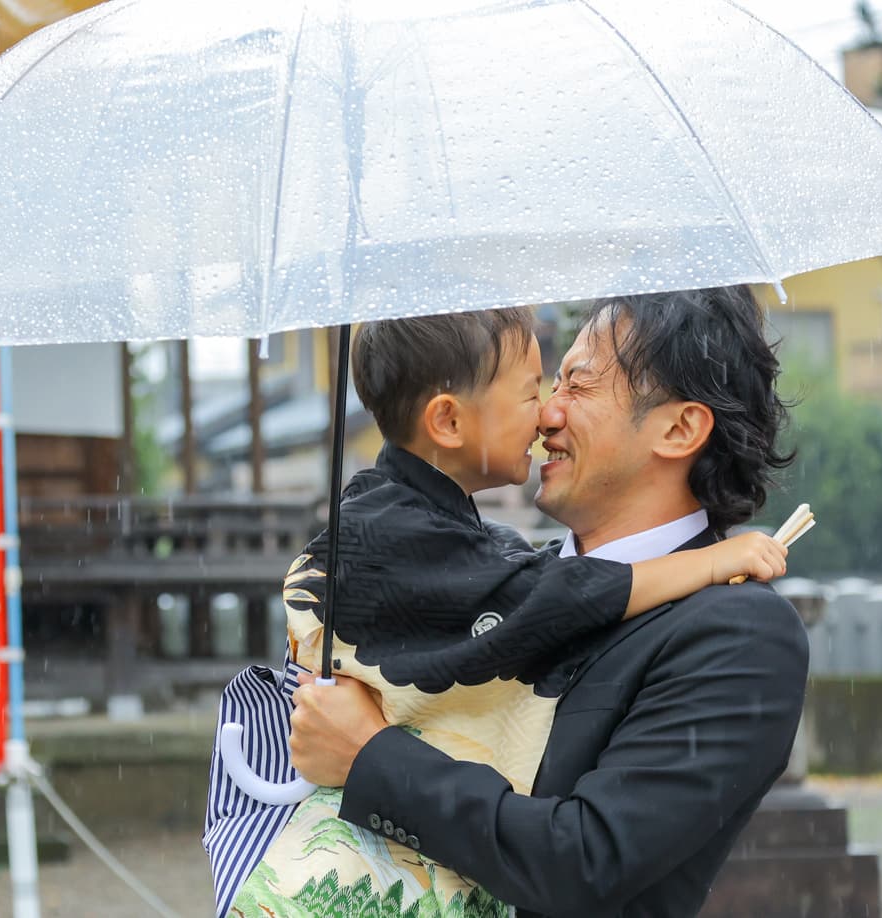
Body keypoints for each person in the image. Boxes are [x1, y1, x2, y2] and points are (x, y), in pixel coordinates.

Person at [208, 302, 788, 916]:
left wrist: (370, 757)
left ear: (677, 430)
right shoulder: (473, 573)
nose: (547, 413)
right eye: (546, 384)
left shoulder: (735, 630)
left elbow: (585, 861)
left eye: (579, 383)